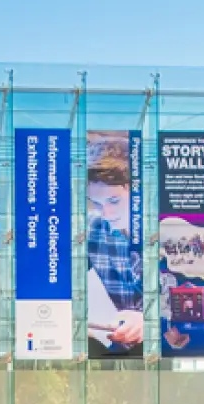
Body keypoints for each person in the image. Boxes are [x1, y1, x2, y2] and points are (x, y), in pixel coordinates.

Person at [86, 140, 143, 358]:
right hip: (103, 350)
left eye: (114, 201)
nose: (107, 214)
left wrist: (149, 322)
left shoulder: (173, 232)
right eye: (97, 204)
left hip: (161, 352)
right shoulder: (90, 229)